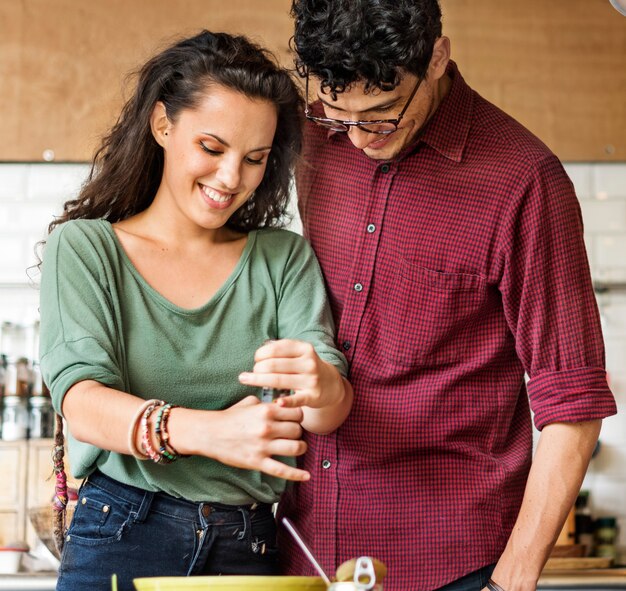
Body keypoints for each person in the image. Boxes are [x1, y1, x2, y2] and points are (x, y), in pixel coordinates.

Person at [276, 2, 618, 591]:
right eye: (339, 116)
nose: (357, 138)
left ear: (437, 57)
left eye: (382, 115)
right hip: (298, 552)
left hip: (447, 565)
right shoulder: (312, 136)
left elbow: (573, 409)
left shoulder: (524, 182)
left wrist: (509, 583)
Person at [38, 29, 353, 591]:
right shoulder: (87, 249)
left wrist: (324, 387)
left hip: (249, 545)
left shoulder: (282, 260)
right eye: (212, 148)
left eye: (254, 159)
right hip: (122, 532)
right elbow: (82, 403)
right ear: (163, 124)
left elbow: (324, 412)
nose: (231, 178)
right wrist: (211, 433)